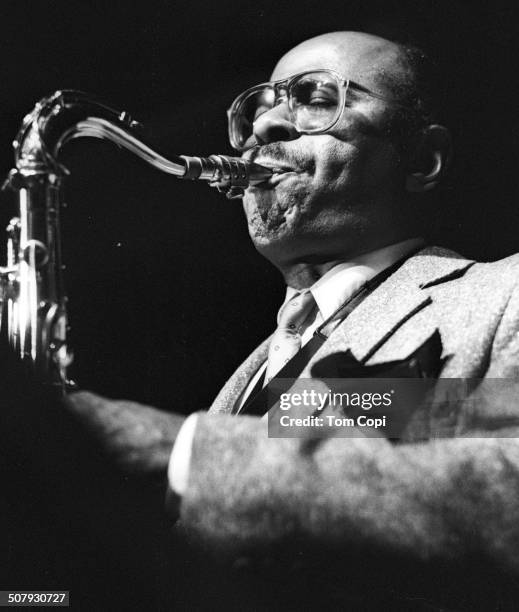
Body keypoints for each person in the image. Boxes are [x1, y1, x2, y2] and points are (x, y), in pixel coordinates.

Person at [60, 31, 519, 609]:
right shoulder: (253, 369)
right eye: (260, 107)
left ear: (423, 160)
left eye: (317, 98)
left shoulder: (506, 292)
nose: (264, 128)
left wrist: (175, 450)